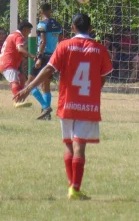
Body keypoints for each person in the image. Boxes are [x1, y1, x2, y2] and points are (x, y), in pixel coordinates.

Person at [13, 13, 113, 200]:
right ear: (90, 29)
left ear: (72, 28)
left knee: (68, 144)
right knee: (79, 146)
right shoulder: (99, 49)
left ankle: (71, 187)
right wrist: (95, 91)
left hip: (67, 102)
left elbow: (49, 69)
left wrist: (28, 87)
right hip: (88, 104)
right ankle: (75, 188)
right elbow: (103, 75)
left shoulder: (64, 46)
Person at [0, 21, 51, 119]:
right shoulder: (19, 36)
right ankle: (17, 101)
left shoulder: (12, 34)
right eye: (29, 31)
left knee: (23, 79)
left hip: (5, 63)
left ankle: (40, 105)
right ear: (25, 30)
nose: (28, 34)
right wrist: (32, 56)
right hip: (7, 64)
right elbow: (19, 49)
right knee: (15, 82)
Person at [28, 3, 63, 113]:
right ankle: (45, 111)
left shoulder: (42, 25)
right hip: (53, 57)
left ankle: (45, 106)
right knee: (46, 85)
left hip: (43, 56)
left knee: (30, 84)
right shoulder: (58, 25)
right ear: (50, 11)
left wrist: (39, 57)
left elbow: (43, 41)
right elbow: (61, 42)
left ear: (41, 11)